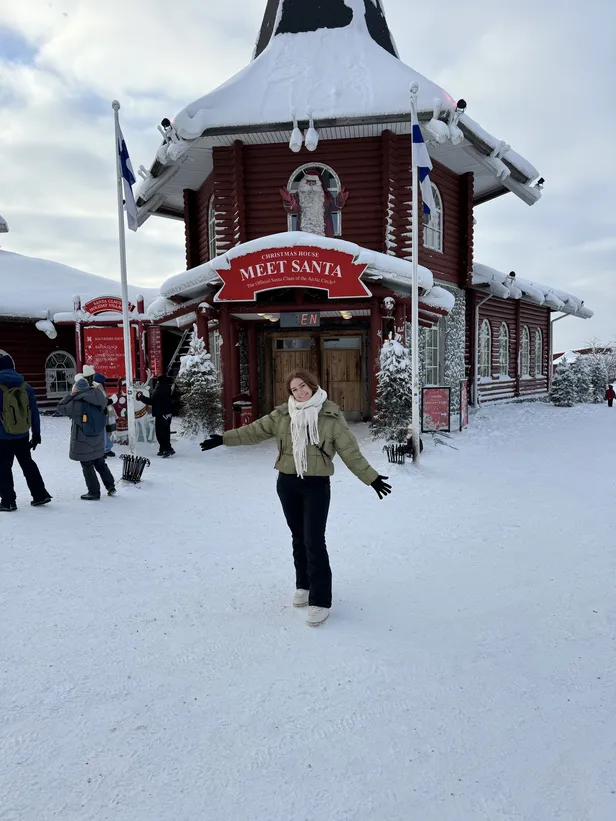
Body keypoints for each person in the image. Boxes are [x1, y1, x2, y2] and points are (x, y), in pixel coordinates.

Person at [200, 369, 392, 627]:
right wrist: (224, 439)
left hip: (316, 485)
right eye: (294, 389)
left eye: (303, 387)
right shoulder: (282, 415)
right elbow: (254, 431)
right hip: (287, 483)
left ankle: (321, 600)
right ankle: (303, 584)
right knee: (298, 537)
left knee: (314, 539)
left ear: (312, 386)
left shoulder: (331, 416)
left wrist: (372, 478)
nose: (300, 392)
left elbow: (350, 451)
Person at [0, 354, 52, 511]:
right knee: (28, 463)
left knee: (3, 467)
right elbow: (34, 413)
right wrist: (36, 433)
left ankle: (8, 501)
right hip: (23, 433)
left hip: (2, 435)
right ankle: (40, 495)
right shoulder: (26, 387)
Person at [57, 376, 116, 501]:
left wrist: (71, 395)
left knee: (87, 465)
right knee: (100, 462)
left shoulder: (77, 403)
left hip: (83, 439)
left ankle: (94, 492)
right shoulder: (100, 398)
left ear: (77, 390)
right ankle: (110, 485)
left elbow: (61, 407)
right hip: (98, 437)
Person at [137, 375, 175, 457]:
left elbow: (152, 401)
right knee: (166, 432)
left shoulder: (159, 390)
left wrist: (142, 398)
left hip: (161, 414)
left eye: (158, 381)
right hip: (167, 414)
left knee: (160, 433)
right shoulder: (168, 389)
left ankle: (167, 449)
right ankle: (163, 449)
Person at [92, 372, 117, 457]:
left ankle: (107, 449)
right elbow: (101, 402)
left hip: (105, 412)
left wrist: (109, 401)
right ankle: (103, 450)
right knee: (103, 432)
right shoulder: (96, 388)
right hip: (100, 413)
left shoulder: (99, 387)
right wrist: (111, 401)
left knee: (107, 431)